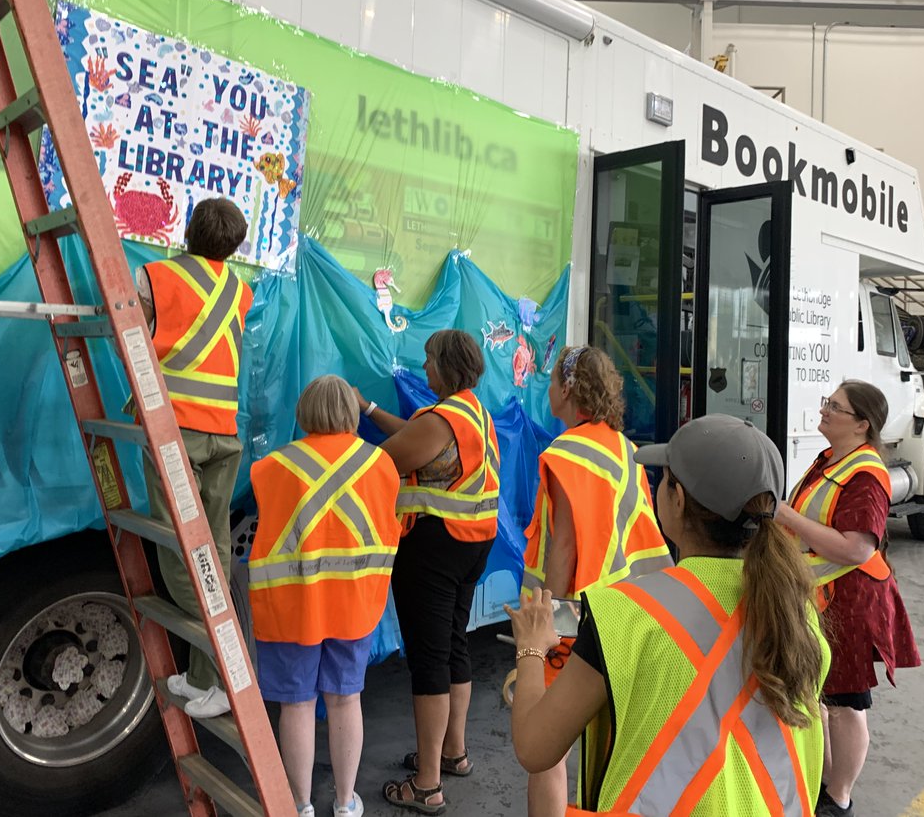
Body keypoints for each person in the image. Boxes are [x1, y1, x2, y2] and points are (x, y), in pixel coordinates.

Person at [507, 414, 829, 816]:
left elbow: (536, 747)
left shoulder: (625, 614)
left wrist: (531, 648)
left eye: (665, 480)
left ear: (677, 501)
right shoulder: (798, 612)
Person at [352, 329, 499, 814]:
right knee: (453, 645)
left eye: (430, 359)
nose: (425, 366)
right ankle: (452, 753)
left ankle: (426, 784)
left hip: (435, 549)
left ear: (447, 365)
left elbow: (386, 460)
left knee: (429, 660)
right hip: (472, 543)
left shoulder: (442, 421)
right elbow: (412, 435)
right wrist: (369, 409)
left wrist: (330, 437)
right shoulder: (470, 411)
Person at [521, 345, 672, 816]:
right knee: (611, 742)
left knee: (547, 748)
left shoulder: (567, 452)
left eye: (550, 383)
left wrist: (544, 627)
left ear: (567, 389)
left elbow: (563, 548)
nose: (547, 390)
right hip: (632, 608)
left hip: (580, 616)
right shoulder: (623, 449)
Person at [248, 375, 402, 817]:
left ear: (304, 413)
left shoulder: (272, 468)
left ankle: (299, 806)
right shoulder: (381, 466)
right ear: (351, 415)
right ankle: (345, 802)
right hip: (356, 607)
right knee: (345, 699)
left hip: (290, 609)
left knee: (296, 704)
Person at [774, 381, 921, 817]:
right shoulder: (831, 460)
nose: (824, 411)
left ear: (861, 424)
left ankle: (839, 798)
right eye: (827, 403)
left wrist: (787, 516)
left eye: (834, 407)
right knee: (823, 695)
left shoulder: (866, 475)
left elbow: (858, 548)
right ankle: (825, 779)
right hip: (820, 597)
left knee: (846, 702)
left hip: (850, 602)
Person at [135, 196, 253, 719]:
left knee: (178, 550)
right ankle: (206, 676)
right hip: (223, 434)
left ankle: (223, 662)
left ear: (188, 229)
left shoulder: (157, 278)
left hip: (174, 431)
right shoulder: (241, 291)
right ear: (234, 243)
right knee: (215, 548)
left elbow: (132, 342)